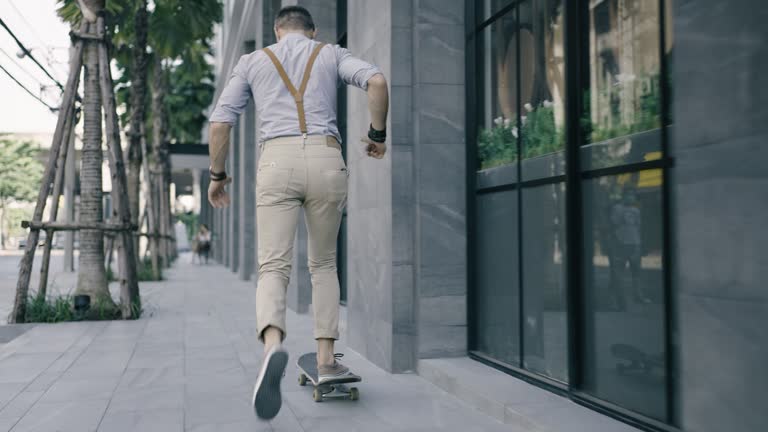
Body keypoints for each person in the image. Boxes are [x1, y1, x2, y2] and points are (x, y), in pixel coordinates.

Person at [206, 6, 389, 420]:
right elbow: (377, 81)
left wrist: (218, 175)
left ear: (276, 31)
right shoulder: (332, 53)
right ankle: (326, 358)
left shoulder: (253, 60)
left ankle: (273, 344)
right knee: (323, 263)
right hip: (326, 159)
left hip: (276, 162)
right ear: (312, 30)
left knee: (274, 265)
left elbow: (220, 123)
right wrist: (377, 135)